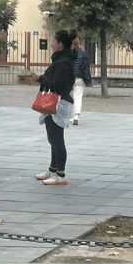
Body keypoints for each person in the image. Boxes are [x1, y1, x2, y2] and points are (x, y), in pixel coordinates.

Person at [36, 30, 77, 186]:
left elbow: (59, 85)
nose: (51, 43)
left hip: (58, 102)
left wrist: (40, 78)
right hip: (51, 100)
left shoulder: (64, 62)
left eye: (53, 41)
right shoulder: (60, 59)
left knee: (57, 139)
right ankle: (52, 170)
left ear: (60, 44)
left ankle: (60, 174)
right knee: (52, 138)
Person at [70, 38, 92, 125]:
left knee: (70, 97)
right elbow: (86, 66)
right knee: (78, 97)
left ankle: (71, 116)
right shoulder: (83, 53)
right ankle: (76, 115)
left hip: (69, 78)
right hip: (80, 78)